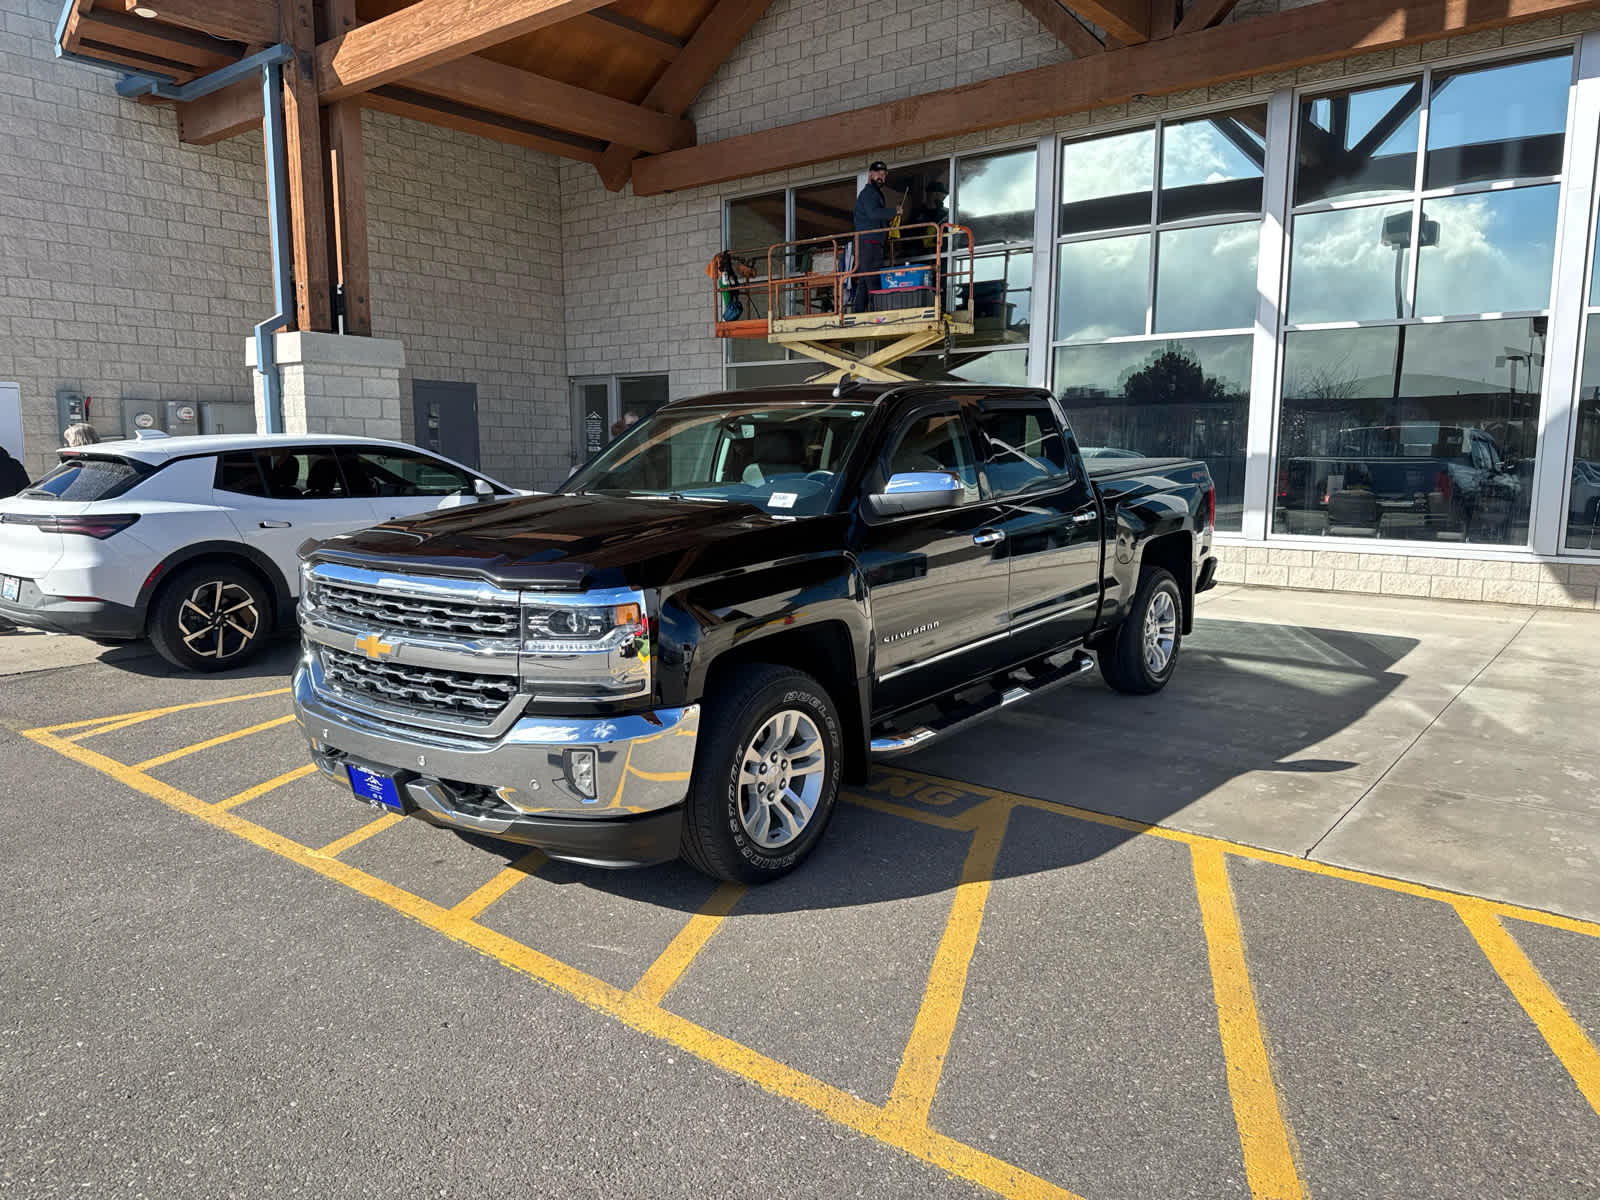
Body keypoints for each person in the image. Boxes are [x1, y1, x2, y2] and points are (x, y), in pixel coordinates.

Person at [850, 160, 901, 313]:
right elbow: (873, 214)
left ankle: (857, 315)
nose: (881, 177)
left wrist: (888, 222)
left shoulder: (874, 194)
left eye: (884, 175)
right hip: (867, 243)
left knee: (866, 282)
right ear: (870, 174)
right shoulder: (868, 193)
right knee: (872, 281)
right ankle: (876, 316)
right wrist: (894, 211)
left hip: (870, 243)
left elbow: (874, 216)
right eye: (878, 173)